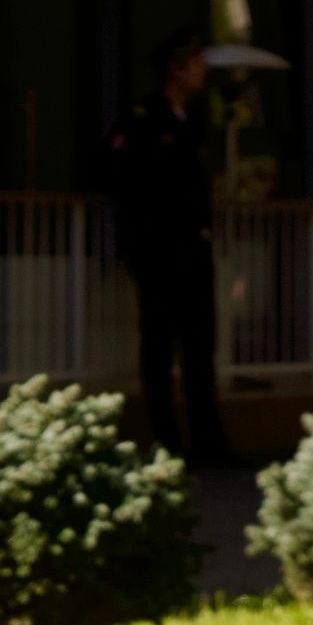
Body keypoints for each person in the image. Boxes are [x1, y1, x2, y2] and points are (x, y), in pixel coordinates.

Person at [105, 30, 233, 467]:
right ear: (176, 69)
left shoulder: (192, 119)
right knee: (159, 348)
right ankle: (168, 441)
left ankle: (208, 440)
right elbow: (128, 182)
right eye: (195, 64)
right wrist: (141, 248)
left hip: (193, 250)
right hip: (160, 252)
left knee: (201, 347)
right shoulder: (145, 119)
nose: (202, 72)